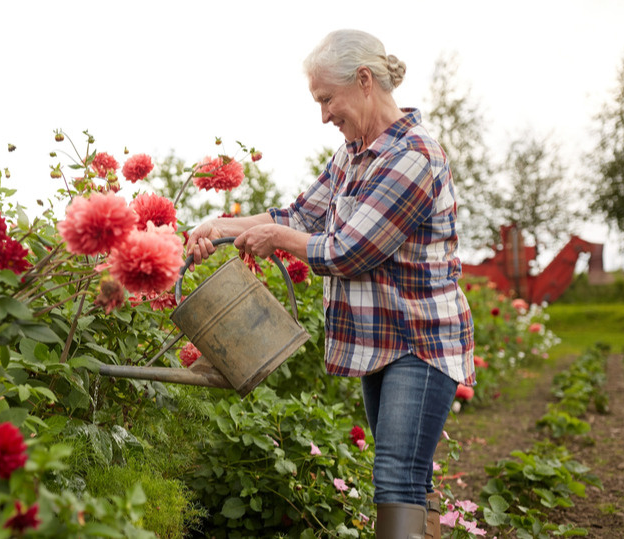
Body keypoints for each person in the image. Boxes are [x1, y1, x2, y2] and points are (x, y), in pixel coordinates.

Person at [187, 29, 475, 539]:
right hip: (381, 344)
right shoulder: (352, 154)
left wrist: (275, 236)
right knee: (398, 478)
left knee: (397, 478)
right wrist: (220, 226)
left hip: (420, 344)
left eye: (326, 99)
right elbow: (299, 215)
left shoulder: (413, 156)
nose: (323, 115)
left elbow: (350, 250)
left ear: (364, 81)